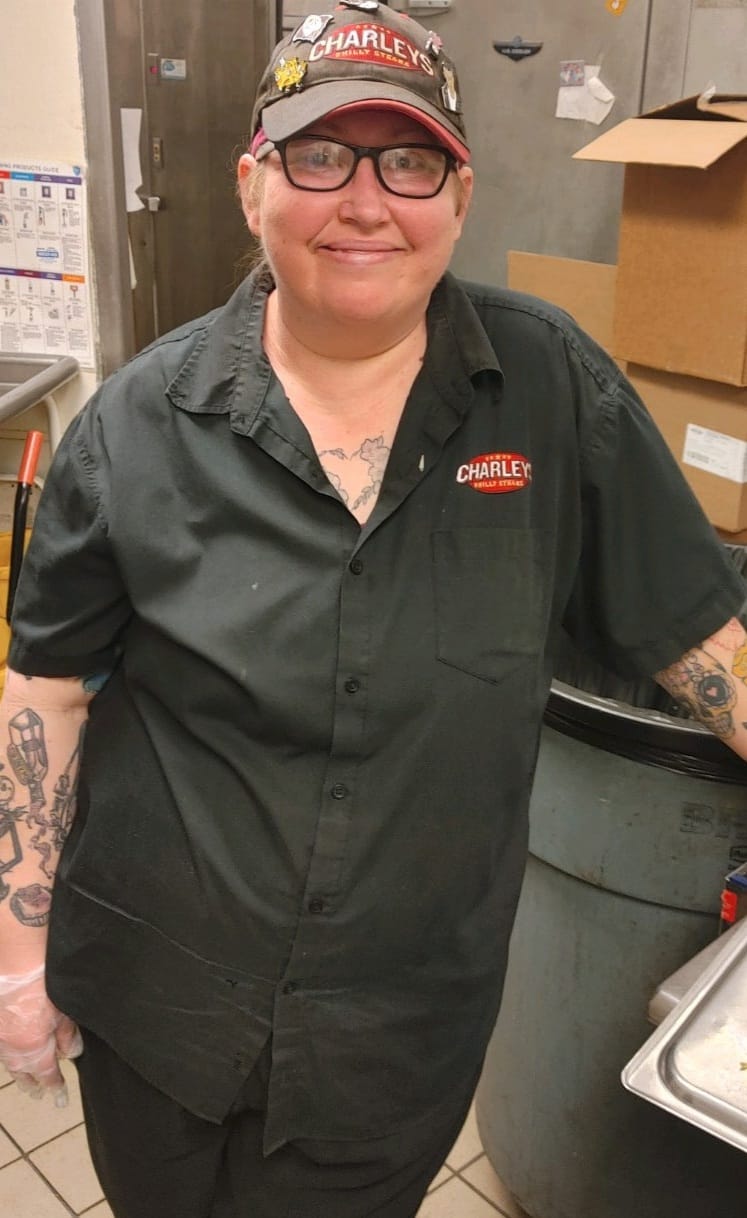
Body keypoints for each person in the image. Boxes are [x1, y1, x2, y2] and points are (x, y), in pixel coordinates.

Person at [0, 3, 745, 1216]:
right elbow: (47, 686)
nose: (364, 202)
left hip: (392, 1033)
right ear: (251, 184)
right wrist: (19, 956)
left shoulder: (551, 388)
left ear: (460, 193)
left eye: (408, 161)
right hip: (159, 1002)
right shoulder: (136, 424)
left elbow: (698, 634)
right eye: (319, 155)